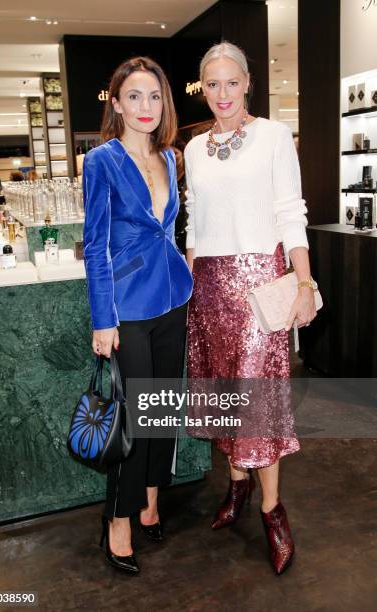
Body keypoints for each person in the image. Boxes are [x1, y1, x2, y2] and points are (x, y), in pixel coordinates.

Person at [184, 42, 317, 575]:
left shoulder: (274, 136)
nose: (222, 94)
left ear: (247, 83)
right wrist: (193, 275)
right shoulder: (193, 149)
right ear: (204, 87)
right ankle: (235, 486)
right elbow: (194, 221)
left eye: (231, 83)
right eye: (212, 84)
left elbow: (291, 213)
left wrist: (304, 281)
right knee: (221, 391)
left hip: (260, 282)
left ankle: (272, 511)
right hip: (209, 284)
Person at [83, 56, 193, 574]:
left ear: (164, 103)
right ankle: (120, 519)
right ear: (117, 102)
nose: (145, 106)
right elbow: (97, 245)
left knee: (163, 410)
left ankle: (151, 498)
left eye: (154, 96)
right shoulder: (102, 161)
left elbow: (167, 230)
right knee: (133, 417)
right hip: (128, 309)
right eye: (134, 96)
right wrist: (102, 319)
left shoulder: (170, 157)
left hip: (174, 298)